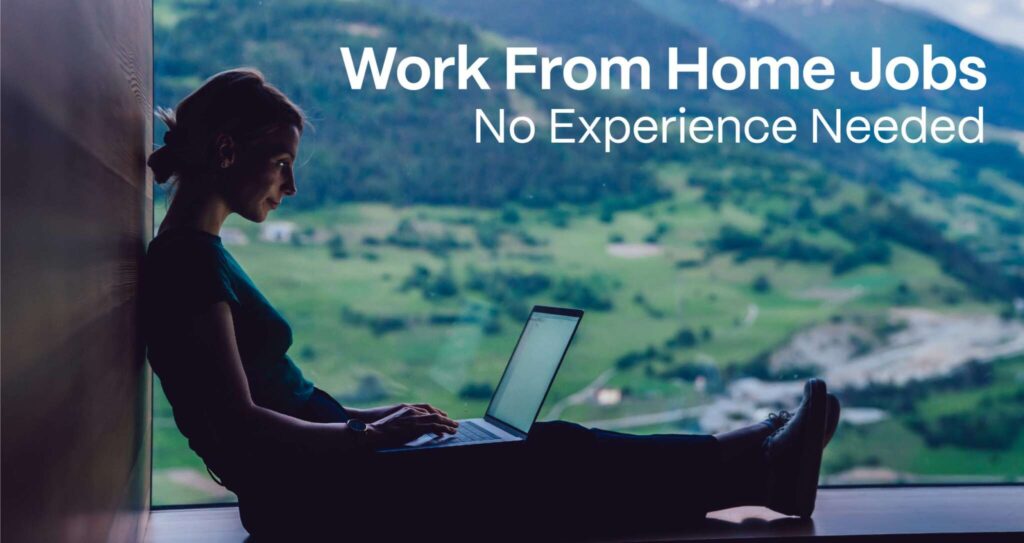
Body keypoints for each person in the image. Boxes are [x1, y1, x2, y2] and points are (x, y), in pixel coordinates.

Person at [142, 68, 842, 541]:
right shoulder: (187, 262)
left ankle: (755, 445)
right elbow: (237, 427)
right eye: (282, 162)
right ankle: (760, 468)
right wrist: (364, 438)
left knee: (544, 449)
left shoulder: (196, 256)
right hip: (320, 495)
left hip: (336, 467)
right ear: (228, 150)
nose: (289, 186)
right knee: (553, 459)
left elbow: (278, 402)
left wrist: (376, 418)